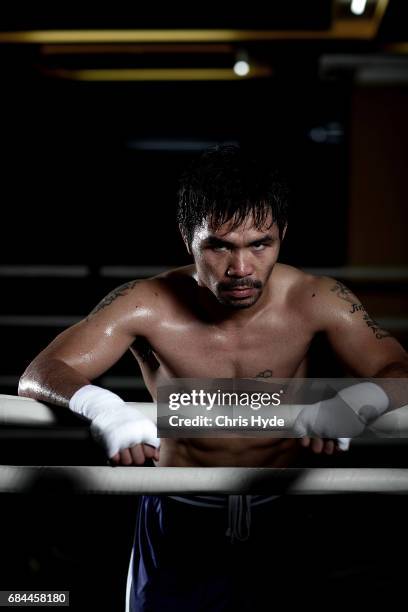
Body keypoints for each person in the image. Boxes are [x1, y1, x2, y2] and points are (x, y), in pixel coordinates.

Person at [18, 144, 408, 610]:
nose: (241, 268)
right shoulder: (146, 303)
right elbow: (41, 372)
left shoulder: (316, 298)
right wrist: (102, 408)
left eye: (260, 244)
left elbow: (398, 368)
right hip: (178, 510)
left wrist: (356, 402)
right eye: (219, 245)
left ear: (283, 234)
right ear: (188, 239)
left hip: (280, 513)